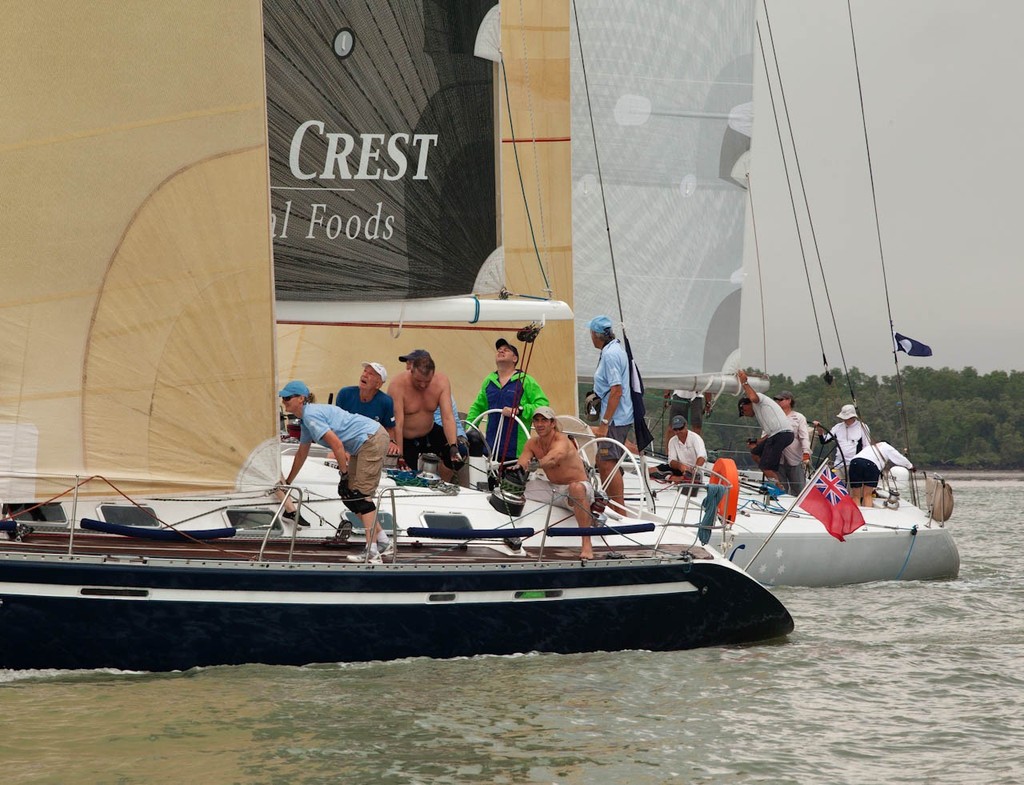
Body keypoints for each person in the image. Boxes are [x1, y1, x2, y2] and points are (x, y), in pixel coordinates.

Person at [279, 380, 392, 563]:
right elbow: (302, 453)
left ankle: (372, 552)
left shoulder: (311, 416)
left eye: (287, 398)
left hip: (371, 439)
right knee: (349, 496)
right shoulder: (306, 420)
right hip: (364, 442)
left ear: (301, 399)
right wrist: (288, 482)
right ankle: (383, 542)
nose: (284, 401)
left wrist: (344, 474)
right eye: (283, 398)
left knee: (361, 496)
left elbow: (337, 446)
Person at [518, 406, 595, 559]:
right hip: (552, 488)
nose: (539, 424)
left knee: (576, 488)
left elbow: (554, 458)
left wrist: (537, 464)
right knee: (516, 489)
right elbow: (522, 463)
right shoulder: (532, 443)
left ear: (552, 423)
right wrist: (516, 471)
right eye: (537, 420)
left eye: (544, 420)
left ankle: (587, 545)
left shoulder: (562, 440)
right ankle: (513, 537)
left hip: (575, 490)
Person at [466, 338, 549, 462]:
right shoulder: (489, 381)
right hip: (490, 449)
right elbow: (477, 407)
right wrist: (468, 429)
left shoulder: (526, 380)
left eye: (506, 350)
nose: (501, 351)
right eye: (499, 350)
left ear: (514, 358)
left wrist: (519, 410)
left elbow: (543, 406)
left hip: (517, 452)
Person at [390, 350, 465, 476]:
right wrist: (400, 456)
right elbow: (398, 423)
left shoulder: (441, 382)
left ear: (433, 374)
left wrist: (453, 445)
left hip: (429, 432)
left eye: (427, 381)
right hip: (405, 437)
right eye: (418, 381)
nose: (423, 385)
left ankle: (442, 484)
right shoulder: (397, 384)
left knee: (460, 453)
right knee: (407, 473)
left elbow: (447, 417)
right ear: (411, 371)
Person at [588, 315, 633, 515]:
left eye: (590, 333)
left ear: (596, 335)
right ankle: (615, 507)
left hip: (615, 418)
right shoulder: (613, 349)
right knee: (605, 461)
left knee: (607, 463)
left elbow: (616, 390)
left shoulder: (610, 355)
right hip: (618, 415)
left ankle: (619, 510)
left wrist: (605, 422)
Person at [736, 369, 794, 490]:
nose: (745, 414)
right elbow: (770, 434)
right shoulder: (760, 411)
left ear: (746, 404)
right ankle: (774, 483)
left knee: (766, 466)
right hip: (778, 434)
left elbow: (753, 397)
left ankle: (778, 489)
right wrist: (758, 442)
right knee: (755, 453)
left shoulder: (759, 400)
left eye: (743, 411)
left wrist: (744, 383)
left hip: (781, 434)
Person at [335, 362, 400, 457]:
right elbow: (336, 424)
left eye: (370, 374)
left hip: (370, 446)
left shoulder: (386, 402)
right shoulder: (345, 394)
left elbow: (389, 428)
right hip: (343, 442)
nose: (364, 375)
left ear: (378, 384)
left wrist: (391, 442)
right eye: (365, 371)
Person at [813, 404, 871, 481]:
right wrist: (820, 429)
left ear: (853, 417)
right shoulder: (838, 427)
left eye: (847, 418)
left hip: (855, 465)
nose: (845, 420)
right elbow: (824, 440)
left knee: (852, 489)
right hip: (839, 464)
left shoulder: (862, 427)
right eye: (844, 418)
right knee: (837, 488)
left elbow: (866, 447)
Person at [847, 440, 914, 507]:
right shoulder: (886, 446)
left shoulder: (870, 447)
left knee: (855, 496)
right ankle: (868, 513)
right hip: (871, 465)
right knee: (867, 495)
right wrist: (910, 466)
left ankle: (856, 515)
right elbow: (898, 457)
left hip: (854, 463)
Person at [655, 415, 707, 488]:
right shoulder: (672, 441)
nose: (678, 431)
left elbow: (702, 456)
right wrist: (681, 466)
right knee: (657, 469)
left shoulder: (695, 438)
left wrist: (694, 470)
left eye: (680, 428)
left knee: (665, 473)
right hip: (681, 470)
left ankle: (674, 478)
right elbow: (671, 461)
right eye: (675, 429)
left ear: (685, 426)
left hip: (695, 472)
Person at [774, 390, 810, 495]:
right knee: (781, 488)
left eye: (781, 400)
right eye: (777, 400)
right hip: (777, 457)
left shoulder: (799, 417)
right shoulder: (774, 416)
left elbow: (804, 436)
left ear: (789, 400)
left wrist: (806, 452)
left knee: (799, 488)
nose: (778, 402)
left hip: (795, 458)